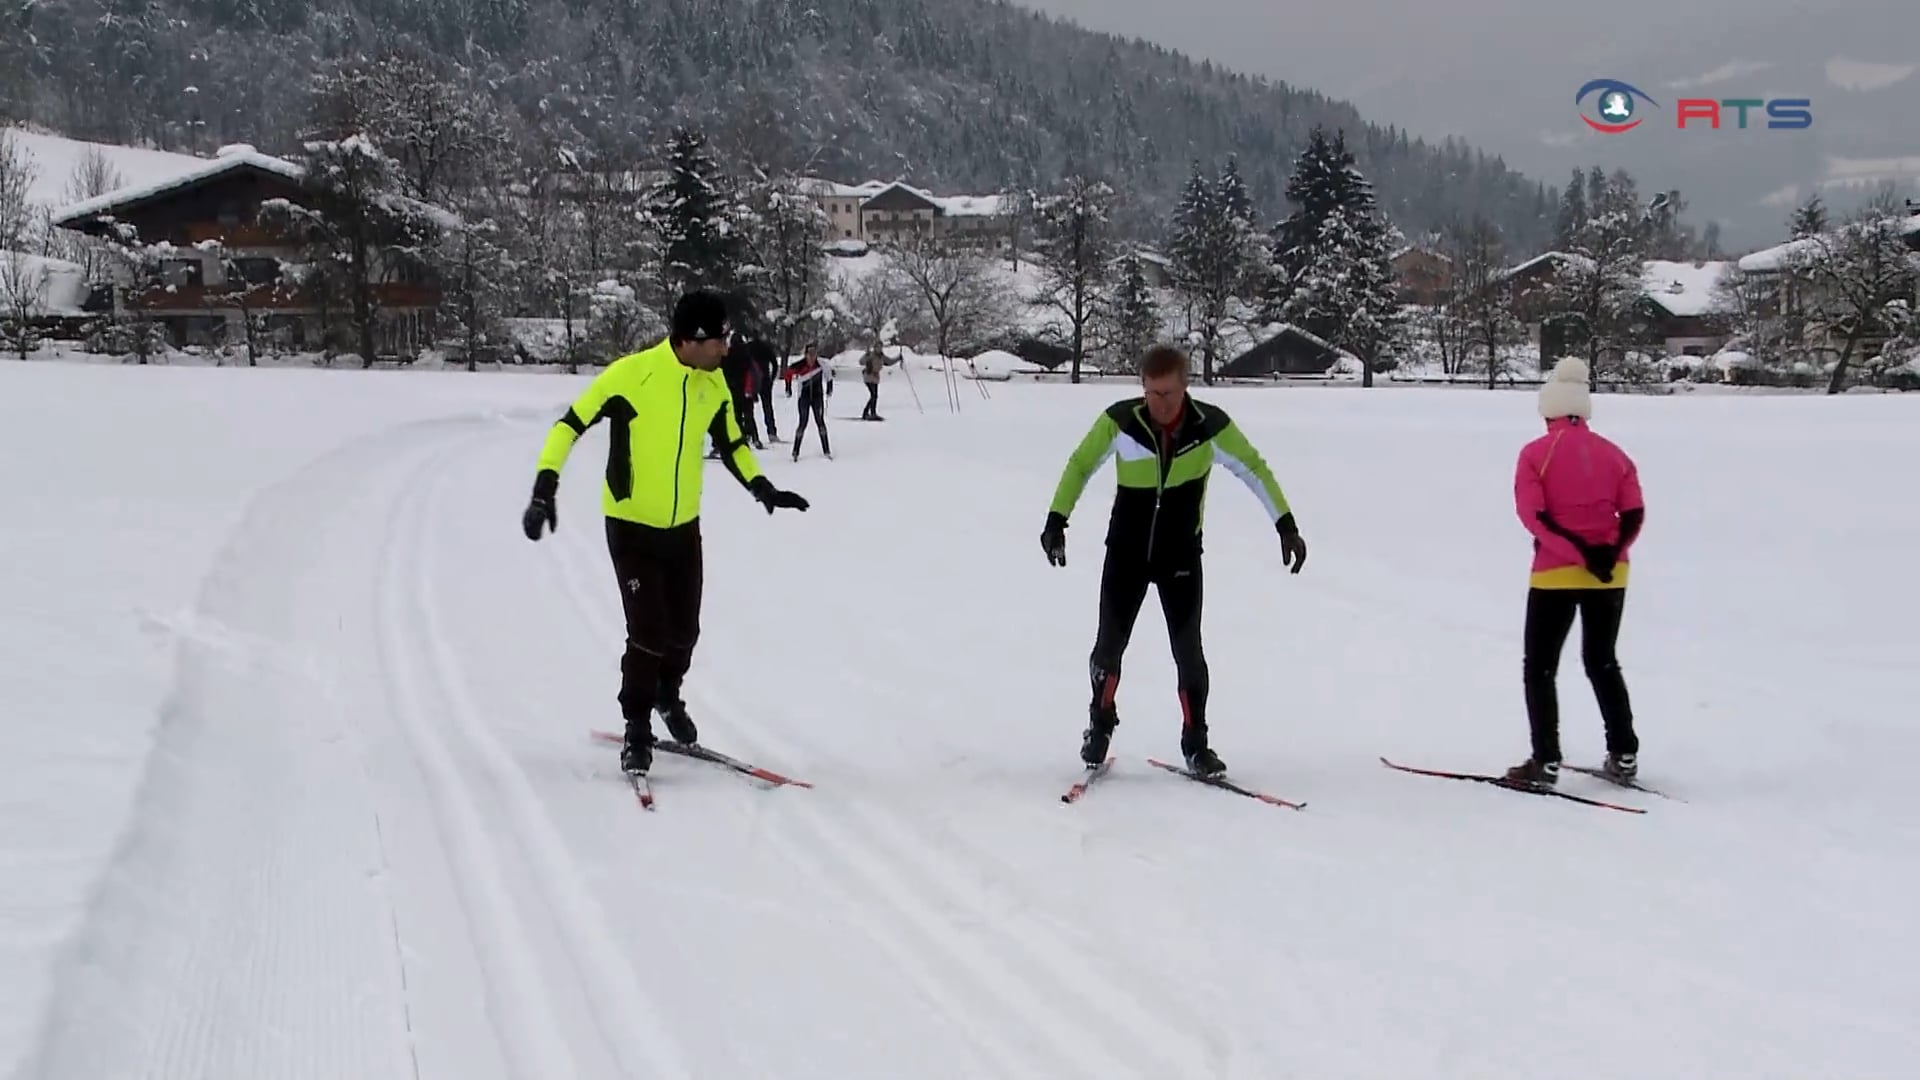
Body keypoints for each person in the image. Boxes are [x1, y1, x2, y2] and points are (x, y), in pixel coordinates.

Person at [520, 289, 811, 776]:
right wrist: (544, 487)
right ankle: (637, 724)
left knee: (685, 632)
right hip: (631, 527)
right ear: (694, 339)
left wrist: (764, 488)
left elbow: (733, 442)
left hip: (682, 530)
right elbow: (569, 426)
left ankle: (666, 694)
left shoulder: (712, 385)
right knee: (649, 632)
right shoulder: (632, 376)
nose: (727, 346)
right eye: (722, 337)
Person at [1041, 344, 1307, 777]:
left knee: (1188, 652)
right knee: (1109, 647)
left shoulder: (1211, 427)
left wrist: (1285, 524)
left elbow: (1253, 468)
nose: (1158, 403)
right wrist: (1056, 521)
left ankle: (1196, 742)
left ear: (1185, 387)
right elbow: (1080, 464)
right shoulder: (1122, 420)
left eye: (1167, 393)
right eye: (1151, 392)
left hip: (1181, 556)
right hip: (1126, 554)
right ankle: (1100, 723)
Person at [1505, 356, 1644, 788]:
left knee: (1540, 667)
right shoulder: (1614, 454)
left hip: (1555, 574)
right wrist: (1607, 553)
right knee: (1602, 661)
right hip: (1611, 574)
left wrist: (1578, 552)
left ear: (1549, 410)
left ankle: (1545, 761)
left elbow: (1534, 516)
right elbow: (1634, 513)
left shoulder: (1535, 454)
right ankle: (1624, 754)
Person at [784, 342, 833, 461]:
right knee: (802, 423)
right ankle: (795, 451)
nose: (812, 356)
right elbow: (787, 374)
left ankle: (826, 450)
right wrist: (788, 388)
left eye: (814, 353)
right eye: (809, 354)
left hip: (817, 397)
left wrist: (829, 389)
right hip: (804, 398)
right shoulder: (799, 365)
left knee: (820, 421)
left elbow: (829, 376)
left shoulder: (821, 364)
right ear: (805, 354)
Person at [749, 337, 781, 442]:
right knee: (767, 406)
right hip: (765, 380)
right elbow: (775, 364)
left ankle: (749, 433)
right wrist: (772, 378)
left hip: (751, 381)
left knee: (748, 409)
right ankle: (771, 432)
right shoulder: (766, 347)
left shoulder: (748, 348)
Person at [860, 345, 885, 420]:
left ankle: (871, 413)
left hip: (875, 378)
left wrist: (898, 358)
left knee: (874, 396)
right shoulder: (871, 355)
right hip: (868, 377)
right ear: (875, 348)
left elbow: (889, 361)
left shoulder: (881, 356)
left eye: (880, 347)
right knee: (874, 395)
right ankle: (868, 413)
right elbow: (861, 362)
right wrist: (866, 355)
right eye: (878, 347)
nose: (879, 349)